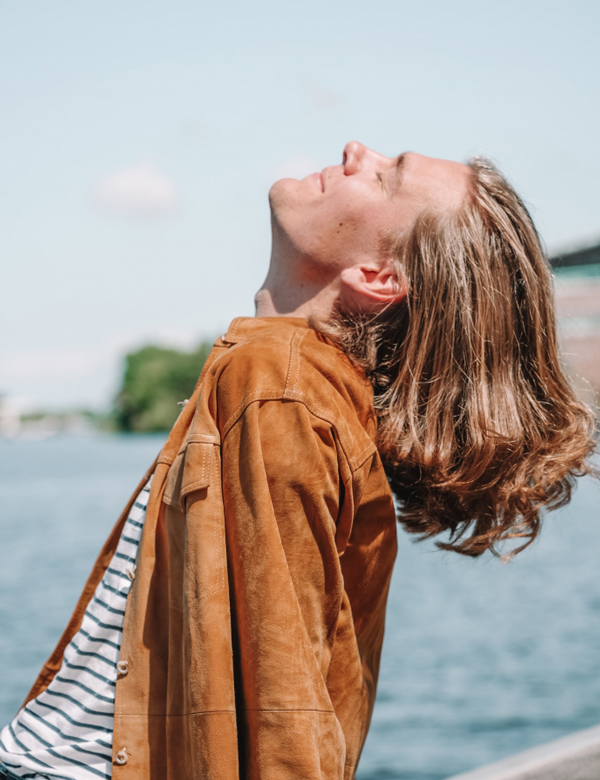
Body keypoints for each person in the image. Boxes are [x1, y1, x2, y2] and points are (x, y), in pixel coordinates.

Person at [0, 142, 595, 780]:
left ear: (378, 277)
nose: (355, 151)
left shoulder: (277, 385)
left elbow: (284, 697)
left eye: (385, 176)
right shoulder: (316, 394)